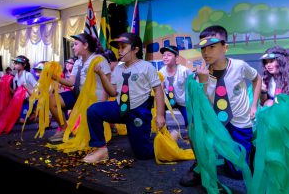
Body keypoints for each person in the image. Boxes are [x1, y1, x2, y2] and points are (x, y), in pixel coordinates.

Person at [180, 25, 262, 187]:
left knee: (238, 173)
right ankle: (200, 163)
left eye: (212, 46)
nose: (206, 52)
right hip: (216, 123)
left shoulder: (239, 66)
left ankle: (249, 152)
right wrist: (203, 81)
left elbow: (257, 78)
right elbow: (200, 105)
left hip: (240, 121)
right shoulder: (201, 74)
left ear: (225, 47)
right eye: (203, 48)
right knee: (195, 129)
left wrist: (253, 105)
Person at [82, 32, 166, 163]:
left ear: (136, 49)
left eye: (123, 47)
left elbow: (158, 90)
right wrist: (102, 75)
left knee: (143, 154)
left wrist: (160, 115)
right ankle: (100, 149)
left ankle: (168, 141)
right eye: (118, 48)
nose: (119, 51)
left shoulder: (146, 67)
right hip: (119, 107)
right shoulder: (118, 69)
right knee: (94, 110)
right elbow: (113, 92)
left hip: (138, 112)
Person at [48, 33, 111, 142]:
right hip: (79, 96)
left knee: (90, 134)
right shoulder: (78, 62)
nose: (73, 47)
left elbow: (108, 81)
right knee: (52, 100)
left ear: (85, 45)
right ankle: (65, 130)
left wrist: (103, 104)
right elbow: (70, 83)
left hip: (94, 99)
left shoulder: (99, 59)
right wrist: (54, 77)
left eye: (76, 44)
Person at [159, 45, 192, 130]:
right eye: (164, 55)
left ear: (176, 57)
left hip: (183, 100)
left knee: (190, 120)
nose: (165, 57)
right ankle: (164, 132)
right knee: (159, 110)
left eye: (169, 55)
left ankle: (191, 135)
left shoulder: (184, 71)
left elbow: (193, 86)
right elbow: (160, 89)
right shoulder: (161, 72)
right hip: (168, 100)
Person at [12, 55, 38, 123]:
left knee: (21, 121)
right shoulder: (15, 77)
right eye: (15, 62)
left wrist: (29, 94)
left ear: (24, 65)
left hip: (30, 101)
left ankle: (36, 113)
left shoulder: (28, 75)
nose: (15, 64)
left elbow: (37, 88)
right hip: (20, 102)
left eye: (17, 63)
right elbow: (15, 93)